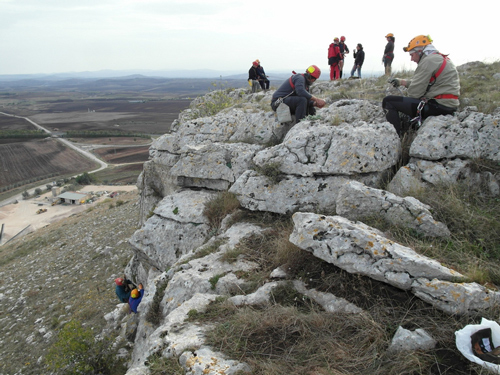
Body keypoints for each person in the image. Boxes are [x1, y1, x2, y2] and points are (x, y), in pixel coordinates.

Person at [382, 35, 460, 137]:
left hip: (438, 107)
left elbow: (414, 93)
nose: (411, 59)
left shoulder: (427, 61)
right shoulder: (439, 58)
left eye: (412, 54)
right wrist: (401, 82)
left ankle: (395, 137)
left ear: (420, 51)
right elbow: (425, 83)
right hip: (448, 106)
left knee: (388, 101)